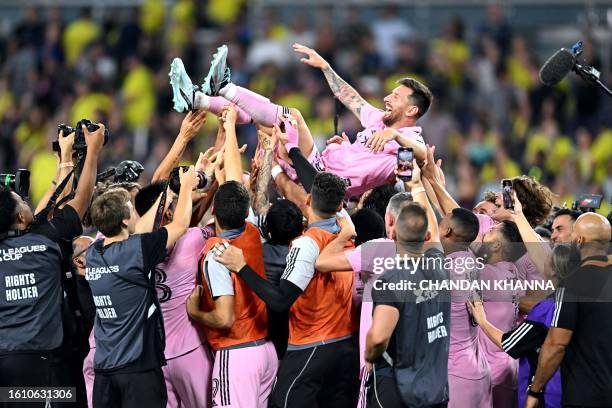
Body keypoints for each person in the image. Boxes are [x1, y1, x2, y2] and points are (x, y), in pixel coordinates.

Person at [170, 44, 430, 197]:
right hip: (322, 163)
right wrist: (326, 67)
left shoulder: (408, 144)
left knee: (291, 117)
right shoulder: (379, 121)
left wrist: (396, 137)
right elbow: (351, 98)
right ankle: (198, 100)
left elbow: (412, 170)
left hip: (325, 183)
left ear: (412, 111)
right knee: (267, 123)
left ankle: (223, 90)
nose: (387, 98)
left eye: (396, 97)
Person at [215, 172, 360, 407]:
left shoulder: (306, 245)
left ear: (309, 199)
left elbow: (281, 300)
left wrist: (242, 267)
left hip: (312, 345)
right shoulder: (345, 230)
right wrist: (279, 166)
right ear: (341, 204)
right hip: (345, 346)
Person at [0, 123, 104, 405]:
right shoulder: (43, 243)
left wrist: (65, 160)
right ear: (20, 218)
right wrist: (93, 151)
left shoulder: (33, 236)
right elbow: (79, 201)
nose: (26, 202)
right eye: (20, 201)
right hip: (39, 365)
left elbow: (48, 205)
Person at [86, 167, 197, 408]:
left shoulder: (95, 252)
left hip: (105, 369)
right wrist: (187, 186)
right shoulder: (136, 251)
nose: (136, 212)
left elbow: (140, 229)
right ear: (125, 219)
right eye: (131, 207)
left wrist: (168, 191)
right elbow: (180, 225)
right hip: (138, 368)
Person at [186, 180, 278, 408]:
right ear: (246, 212)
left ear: (214, 210)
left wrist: (195, 311)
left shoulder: (217, 255)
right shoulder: (253, 231)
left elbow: (224, 318)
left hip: (236, 354)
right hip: (265, 351)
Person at [134, 181, 214, 408]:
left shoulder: (133, 248)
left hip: (156, 356)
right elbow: (222, 221)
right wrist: (213, 185)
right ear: (168, 210)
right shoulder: (193, 238)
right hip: (191, 351)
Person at [468, 244, 577, 408]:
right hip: (574, 388)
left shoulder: (546, 309)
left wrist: (482, 321)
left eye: (547, 260)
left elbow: (510, 343)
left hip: (548, 394)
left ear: (554, 270)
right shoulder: (582, 302)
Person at [365, 197, 449, 407]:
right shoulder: (440, 267)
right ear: (427, 236)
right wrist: (419, 182)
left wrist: (369, 355)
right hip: (436, 390)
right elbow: (435, 236)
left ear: (392, 233)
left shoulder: (390, 281)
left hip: (398, 388)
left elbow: (378, 338)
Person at [525, 213, 612, 408]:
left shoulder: (573, 283)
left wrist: (535, 389)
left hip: (586, 394)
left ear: (579, 240)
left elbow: (556, 344)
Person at [439, 208, 492, 408]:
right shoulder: (471, 260)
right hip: (478, 368)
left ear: (447, 231)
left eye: (441, 222)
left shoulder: (447, 268)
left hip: (457, 374)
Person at [475, 220, 524, 408]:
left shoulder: (486, 274)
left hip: (490, 369)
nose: (485, 231)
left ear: (496, 245)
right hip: (509, 365)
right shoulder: (512, 271)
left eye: (492, 230)